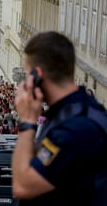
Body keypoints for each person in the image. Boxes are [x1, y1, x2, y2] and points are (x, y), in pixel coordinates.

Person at [12, 31, 107, 206]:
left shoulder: (75, 127)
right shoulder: (78, 110)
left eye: (27, 75)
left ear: (37, 76)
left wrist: (27, 121)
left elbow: (22, 186)